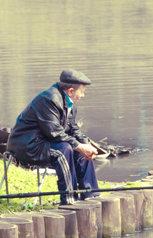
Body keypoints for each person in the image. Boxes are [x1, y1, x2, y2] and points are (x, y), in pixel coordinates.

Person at [7, 69, 100, 205]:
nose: (83, 95)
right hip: (28, 146)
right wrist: (79, 146)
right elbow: (54, 132)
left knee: (80, 151)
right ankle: (69, 198)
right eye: (82, 91)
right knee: (64, 150)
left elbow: (73, 129)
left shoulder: (70, 105)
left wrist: (87, 145)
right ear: (70, 91)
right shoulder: (49, 99)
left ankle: (91, 195)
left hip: (46, 143)